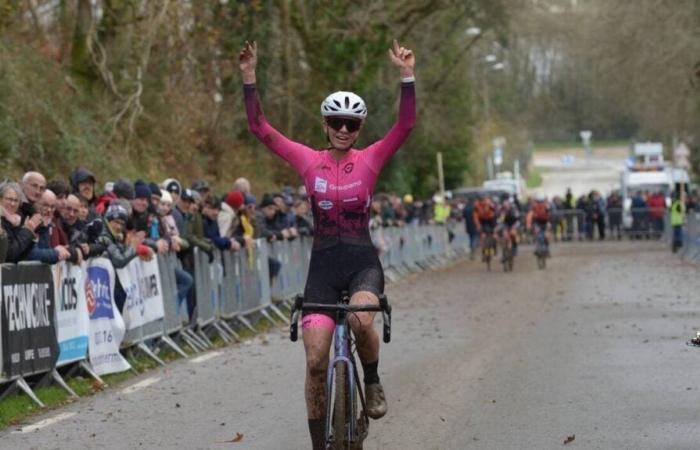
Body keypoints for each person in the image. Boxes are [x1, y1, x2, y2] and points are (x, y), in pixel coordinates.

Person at [240, 38, 415, 448]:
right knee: (316, 360)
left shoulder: (370, 158)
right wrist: (249, 78)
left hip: (361, 264)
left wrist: (407, 75)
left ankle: (370, 380)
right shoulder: (308, 160)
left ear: (359, 129)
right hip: (322, 268)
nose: (342, 129)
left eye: (351, 124)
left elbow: (405, 126)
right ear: (324, 125)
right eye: (335, 122)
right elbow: (259, 129)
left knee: (360, 319)